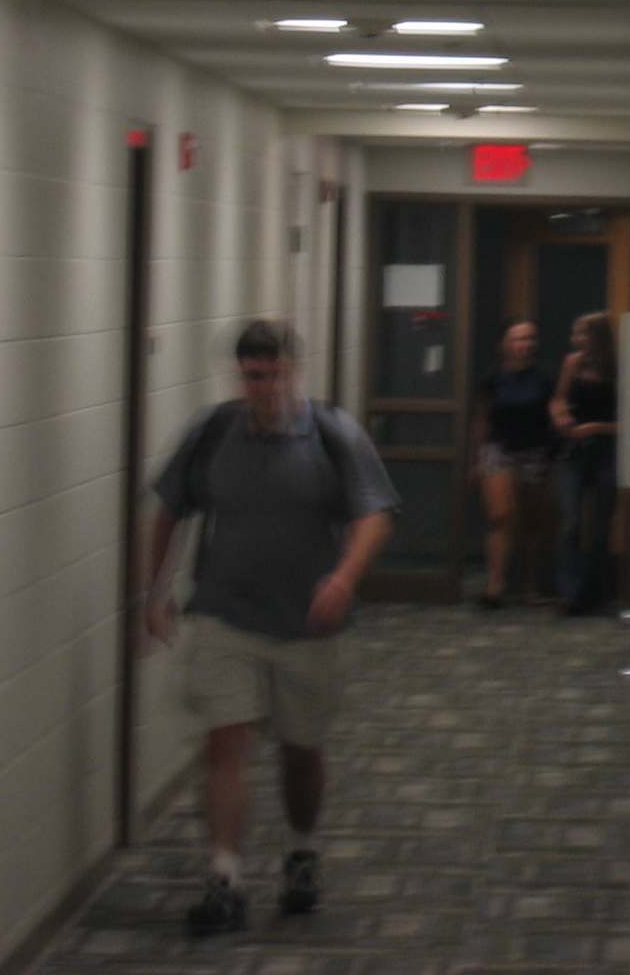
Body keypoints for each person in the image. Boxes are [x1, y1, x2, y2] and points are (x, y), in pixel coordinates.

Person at [139, 320, 398, 937]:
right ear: (242, 375)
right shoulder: (212, 433)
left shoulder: (332, 433)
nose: (265, 388)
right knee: (225, 742)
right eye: (254, 376)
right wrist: (155, 592)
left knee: (300, 748)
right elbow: (169, 511)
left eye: (276, 375)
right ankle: (224, 878)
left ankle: (302, 849)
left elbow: (375, 516)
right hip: (226, 614)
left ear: (295, 372)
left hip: (306, 624)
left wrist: (344, 579)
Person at [472, 320, 559, 607]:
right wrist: (476, 458)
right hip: (500, 449)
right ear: (505, 344)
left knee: (532, 522)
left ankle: (530, 585)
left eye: (530, 338)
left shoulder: (545, 376)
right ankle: (495, 585)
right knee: (500, 517)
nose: (525, 344)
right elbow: (482, 418)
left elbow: (555, 412)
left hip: (536, 452)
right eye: (519, 339)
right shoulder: (493, 377)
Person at [551, 312, 620, 616]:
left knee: (602, 524)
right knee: (571, 520)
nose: (576, 339)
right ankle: (570, 592)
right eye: (575, 333)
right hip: (574, 450)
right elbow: (558, 399)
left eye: (582, 333)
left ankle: (595, 592)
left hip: (607, 448)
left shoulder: (618, 368)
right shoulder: (573, 363)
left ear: (598, 336)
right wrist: (561, 416)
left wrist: (593, 428)